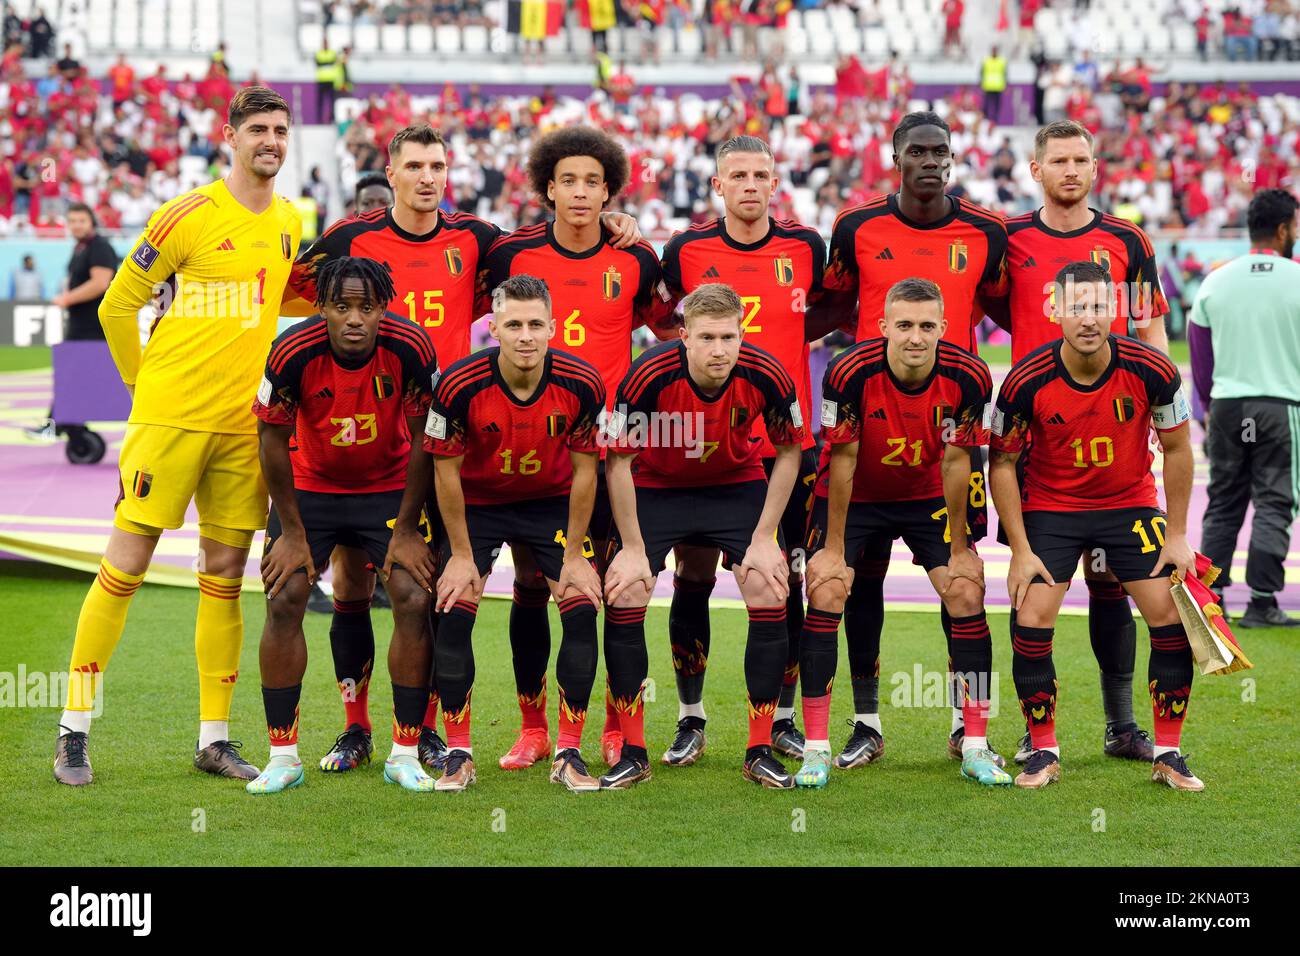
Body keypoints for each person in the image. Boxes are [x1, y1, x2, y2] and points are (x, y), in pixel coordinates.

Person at [285, 123, 641, 773]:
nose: (426, 176)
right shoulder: (347, 239)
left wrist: (621, 222)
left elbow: (556, 260)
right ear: (390, 172)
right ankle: (357, 728)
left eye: (437, 165)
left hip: (452, 442)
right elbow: (295, 297)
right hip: (368, 439)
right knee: (355, 585)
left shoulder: (480, 242)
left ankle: (423, 732)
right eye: (414, 164)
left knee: (440, 593)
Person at [52, 87, 303, 787]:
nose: (271, 141)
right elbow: (116, 304)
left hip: (239, 427)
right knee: (125, 567)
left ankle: (214, 740)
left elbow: (281, 294)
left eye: (280, 129)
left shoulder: (289, 218)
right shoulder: (187, 213)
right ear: (229, 136)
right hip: (169, 420)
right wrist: (141, 392)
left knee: (223, 577)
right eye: (257, 129)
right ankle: (73, 731)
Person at [811, 110, 1008, 764]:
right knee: (856, 585)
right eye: (917, 151)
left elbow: (1013, 308)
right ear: (895, 158)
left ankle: (966, 726)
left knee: (962, 583)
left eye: (939, 151)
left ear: (951, 159)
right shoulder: (856, 227)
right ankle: (866, 724)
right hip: (865, 432)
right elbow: (832, 305)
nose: (929, 161)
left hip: (947, 434)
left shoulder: (985, 232)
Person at [482, 125, 669, 772]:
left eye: (594, 181)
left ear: (610, 189)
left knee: (619, 592)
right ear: (547, 188)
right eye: (569, 180)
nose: (582, 192)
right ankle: (534, 728)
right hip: (536, 452)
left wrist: (640, 234)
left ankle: (621, 729)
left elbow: (671, 324)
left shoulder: (636, 259)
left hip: (614, 454)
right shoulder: (511, 257)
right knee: (533, 590)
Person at [992, 120, 1172, 763]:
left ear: (1095, 168)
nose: (1071, 170)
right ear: (1035, 170)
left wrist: (1160, 412)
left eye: (1082, 160)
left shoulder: (1127, 239)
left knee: (1113, 583)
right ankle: (1032, 730)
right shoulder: (1007, 239)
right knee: (1036, 587)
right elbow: (990, 312)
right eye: (1058, 160)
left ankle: (1121, 725)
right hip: (1039, 436)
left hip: (1116, 431)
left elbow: (1150, 330)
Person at [989, 260, 1202, 791]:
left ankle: (1169, 753)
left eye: (1099, 306)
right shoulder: (1023, 379)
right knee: (1033, 614)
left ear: (1117, 310)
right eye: (1077, 307)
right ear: (1054, 310)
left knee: (1169, 614)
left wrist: (1176, 536)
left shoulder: (1154, 368)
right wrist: (1019, 548)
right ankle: (1042, 751)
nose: (1089, 318)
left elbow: (1178, 449)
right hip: (1053, 508)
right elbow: (1002, 464)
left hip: (1129, 505)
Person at [794, 278, 1008, 788]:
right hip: (858, 494)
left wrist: (960, 547)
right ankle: (820, 746)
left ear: (945, 328)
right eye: (905, 325)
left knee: (965, 589)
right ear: (884, 325)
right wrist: (832, 549)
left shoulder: (970, 375)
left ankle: (974, 742)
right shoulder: (848, 371)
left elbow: (959, 462)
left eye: (927, 326)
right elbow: (841, 461)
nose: (916, 336)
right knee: (827, 588)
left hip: (927, 495)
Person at [657, 134, 826, 767]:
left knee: (784, 581)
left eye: (761, 174)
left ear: (776, 181)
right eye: (738, 175)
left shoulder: (806, 247)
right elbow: (665, 314)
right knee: (693, 577)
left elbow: (829, 307)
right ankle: (691, 716)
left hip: (785, 442)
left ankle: (780, 718)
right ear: (718, 186)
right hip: (706, 443)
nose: (751, 185)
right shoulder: (687, 250)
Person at [246, 257, 440, 794]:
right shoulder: (292, 350)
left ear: (383, 308)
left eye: (367, 306)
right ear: (322, 307)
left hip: (387, 486)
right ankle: (283, 756)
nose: (354, 318)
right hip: (311, 487)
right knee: (285, 596)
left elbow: (428, 439)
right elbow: (269, 441)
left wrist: (405, 529)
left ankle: (405, 752)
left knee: (412, 594)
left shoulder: (412, 346)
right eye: (341, 306)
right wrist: (292, 532)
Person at [601, 282, 806, 790]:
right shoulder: (649, 372)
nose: (719, 349)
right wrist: (630, 549)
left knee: (767, 583)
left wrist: (763, 538)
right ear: (684, 336)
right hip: (657, 483)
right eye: (708, 337)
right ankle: (639, 747)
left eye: (729, 337)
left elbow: (788, 452)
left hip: (732, 484)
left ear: (742, 334)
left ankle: (759, 747)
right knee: (626, 590)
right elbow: (619, 459)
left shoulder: (765, 372)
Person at [425, 274, 607, 792]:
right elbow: (445, 473)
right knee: (454, 607)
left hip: (548, 500)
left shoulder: (582, 382)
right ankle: (458, 753)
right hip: (478, 504)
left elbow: (586, 471)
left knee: (580, 604)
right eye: (513, 325)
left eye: (534, 324)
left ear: (553, 326)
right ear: (492, 328)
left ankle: (567, 751)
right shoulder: (458, 384)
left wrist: (574, 555)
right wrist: (461, 555)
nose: (525, 335)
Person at [1191, 187, 1300, 628]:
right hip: (1280, 403)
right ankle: (1262, 601)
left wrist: (1207, 412)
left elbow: (1201, 362)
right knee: (1275, 501)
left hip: (1228, 406)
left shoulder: (1216, 280)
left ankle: (1211, 595)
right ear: (1281, 229)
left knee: (1224, 500)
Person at [980, 45, 1008, 123]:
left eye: (995, 50)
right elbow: (981, 73)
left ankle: (995, 121)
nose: (994, 52)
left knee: (997, 106)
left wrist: (1006, 85)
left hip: (998, 87)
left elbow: (1005, 74)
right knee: (986, 105)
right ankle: (986, 121)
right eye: (993, 50)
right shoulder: (986, 61)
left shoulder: (1001, 61)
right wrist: (981, 85)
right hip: (988, 86)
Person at [315, 35, 338, 124]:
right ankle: (319, 120)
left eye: (326, 43)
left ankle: (332, 119)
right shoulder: (318, 53)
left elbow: (324, 64)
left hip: (331, 81)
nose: (325, 45)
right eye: (324, 43)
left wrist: (324, 63)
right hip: (321, 81)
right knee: (320, 103)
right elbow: (319, 64)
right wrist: (328, 63)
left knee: (332, 102)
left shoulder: (332, 53)